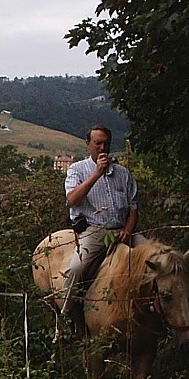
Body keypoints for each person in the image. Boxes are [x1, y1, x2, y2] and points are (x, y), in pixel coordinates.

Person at [61, 125, 146, 314]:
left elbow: (133, 207)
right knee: (76, 268)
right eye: (97, 143)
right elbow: (72, 200)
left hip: (123, 230)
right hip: (96, 230)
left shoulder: (123, 174)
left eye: (106, 143)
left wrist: (128, 230)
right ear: (88, 144)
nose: (102, 147)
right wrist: (97, 173)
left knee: (154, 258)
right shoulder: (77, 169)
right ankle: (66, 314)